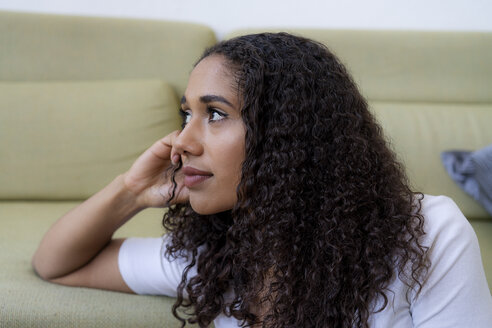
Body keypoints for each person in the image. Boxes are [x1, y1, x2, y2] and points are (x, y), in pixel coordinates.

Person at [32, 32, 492, 328]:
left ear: (287, 132)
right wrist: (131, 190)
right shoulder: (215, 254)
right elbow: (57, 263)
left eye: (214, 114)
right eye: (185, 114)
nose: (181, 141)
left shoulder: (429, 232)